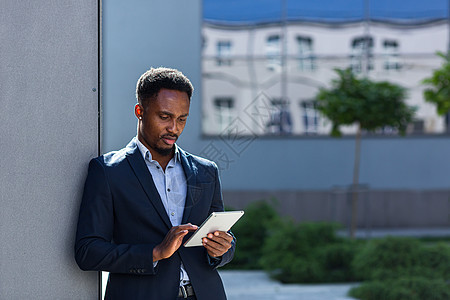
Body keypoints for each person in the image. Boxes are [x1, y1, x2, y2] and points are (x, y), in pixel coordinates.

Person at [75, 67, 235, 300]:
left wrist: (223, 249)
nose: (174, 128)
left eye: (182, 119)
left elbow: (222, 238)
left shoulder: (206, 171)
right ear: (140, 111)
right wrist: (155, 252)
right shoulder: (107, 171)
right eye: (165, 117)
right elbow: (87, 251)